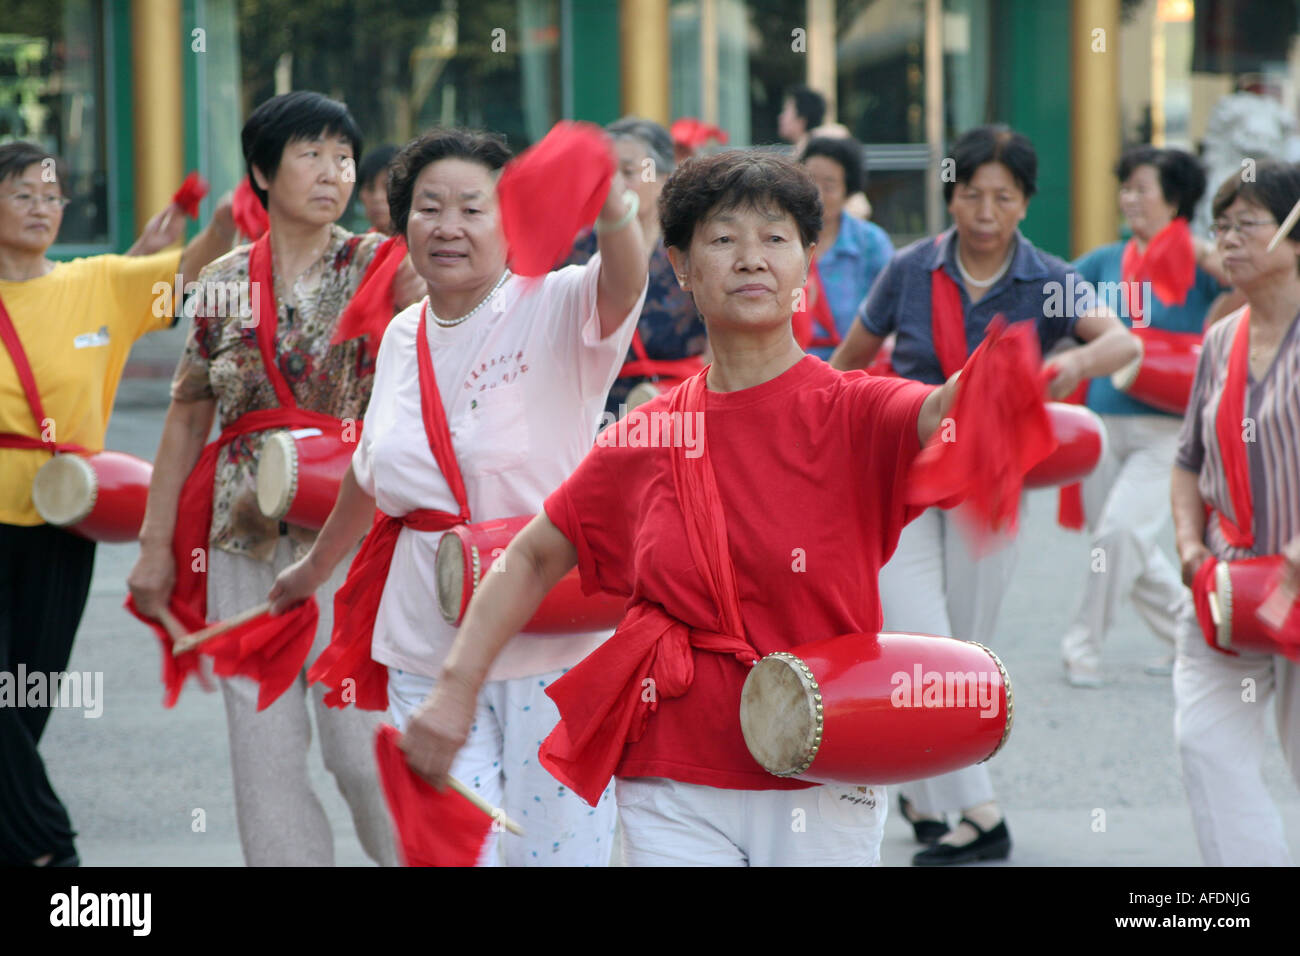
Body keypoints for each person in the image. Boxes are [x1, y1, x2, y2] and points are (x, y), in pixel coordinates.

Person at [397, 148, 974, 867]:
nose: (751, 258)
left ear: (806, 264)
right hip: (673, 776)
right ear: (680, 264)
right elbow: (534, 554)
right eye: (724, 238)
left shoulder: (859, 410)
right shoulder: (645, 434)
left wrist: (996, 379)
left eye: (775, 238)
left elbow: (946, 417)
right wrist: (454, 689)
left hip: (821, 769)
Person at [268, 126, 649, 866]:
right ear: (401, 220)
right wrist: (315, 569)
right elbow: (373, 470)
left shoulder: (558, 307)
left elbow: (625, 278)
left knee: (555, 856)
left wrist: (610, 202)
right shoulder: (404, 332)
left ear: (510, 222)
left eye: (473, 209)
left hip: (552, 635)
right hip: (422, 625)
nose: (448, 227)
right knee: (450, 853)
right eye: (428, 207)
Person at [830, 124, 1139, 864]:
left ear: (1026, 203)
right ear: (952, 195)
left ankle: (922, 788)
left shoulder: (1048, 275)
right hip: (904, 480)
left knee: (963, 651)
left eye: (1004, 196)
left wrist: (1072, 365)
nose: (986, 210)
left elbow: (1124, 343)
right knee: (922, 645)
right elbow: (847, 363)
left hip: (990, 488)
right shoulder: (909, 269)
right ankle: (984, 816)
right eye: (972, 194)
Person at [127, 91, 414, 867]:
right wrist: (157, 549)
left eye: (345, 156)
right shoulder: (222, 278)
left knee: (362, 749)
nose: (335, 172)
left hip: (353, 539)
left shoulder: (383, 263)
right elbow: (188, 416)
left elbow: (457, 309)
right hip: (241, 542)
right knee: (265, 757)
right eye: (312, 154)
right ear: (262, 169)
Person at [0, 140, 236, 867]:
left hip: (62, 523)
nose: (42, 208)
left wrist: (229, 217)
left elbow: (188, 277)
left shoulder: (99, 281)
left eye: (52, 195)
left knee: (25, 703)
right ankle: (50, 853)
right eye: (23, 194)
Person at [1060, 146, 1229, 687]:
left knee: (1117, 535)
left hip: (1170, 430)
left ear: (1173, 198)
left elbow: (1254, 282)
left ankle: (1081, 646)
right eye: (1125, 187)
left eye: (1142, 188)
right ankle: (1194, 629)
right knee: (1118, 542)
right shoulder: (1104, 261)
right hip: (1101, 421)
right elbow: (1053, 295)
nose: (1130, 198)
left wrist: (1205, 249)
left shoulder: (1200, 261)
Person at [1171, 160, 1300, 866]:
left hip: (1297, 590)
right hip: (1223, 583)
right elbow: (1188, 458)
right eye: (1219, 226)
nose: (1226, 239)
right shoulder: (1222, 337)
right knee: (1207, 745)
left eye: (1246, 224)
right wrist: (1191, 548)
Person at [562, 117, 707, 416]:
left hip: (679, 406)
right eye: (605, 172)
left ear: (665, 177)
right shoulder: (575, 250)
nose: (613, 184)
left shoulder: (694, 252)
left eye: (627, 172)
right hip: (591, 409)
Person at [798, 135, 892, 360]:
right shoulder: (779, 239)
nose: (816, 195)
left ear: (848, 192)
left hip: (853, 371)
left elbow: (893, 314)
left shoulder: (871, 244)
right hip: (785, 370)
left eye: (829, 186)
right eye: (810, 182)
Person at [356, 144, 398, 233]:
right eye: (370, 188)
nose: (377, 198)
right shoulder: (355, 245)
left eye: (388, 187)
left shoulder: (420, 245)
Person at [777, 85, 826, 158]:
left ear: (802, 120)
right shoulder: (800, 155)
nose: (780, 117)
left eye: (786, 110)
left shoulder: (811, 159)